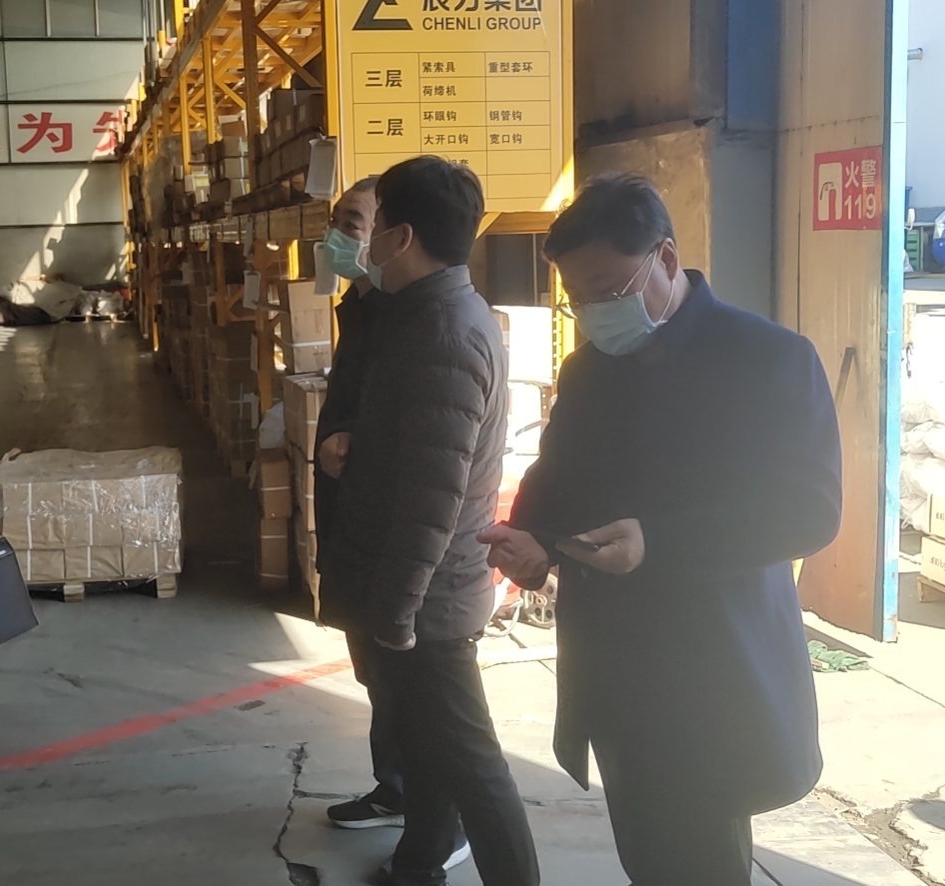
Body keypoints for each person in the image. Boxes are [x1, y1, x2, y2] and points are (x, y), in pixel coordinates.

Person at [478, 174, 842, 883]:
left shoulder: (769, 359)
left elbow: (808, 509)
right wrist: (533, 542)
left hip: (709, 671)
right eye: (577, 296)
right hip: (612, 670)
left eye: (607, 289)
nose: (593, 311)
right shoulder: (588, 370)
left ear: (666, 259)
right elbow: (558, 479)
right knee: (646, 854)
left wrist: (659, 542)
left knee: (702, 859)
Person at [315, 156, 539, 886]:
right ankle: (419, 862)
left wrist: (397, 614)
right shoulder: (418, 315)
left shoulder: (444, 333)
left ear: (402, 235)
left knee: (473, 766)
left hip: (427, 599)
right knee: (428, 746)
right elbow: (419, 450)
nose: (365, 238)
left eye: (374, 222)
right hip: (412, 588)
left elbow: (431, 500)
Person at [311, 175, 418, 833]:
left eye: (352, 221)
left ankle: (433, 810)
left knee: (406, 676)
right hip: (351, 510)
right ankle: (396, 787)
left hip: (387, 525)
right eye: (337, 220)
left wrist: (355, 442)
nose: (337, 234)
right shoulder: (362, 304)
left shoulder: (412, 316)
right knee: (375, 670)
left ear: (392, 234)